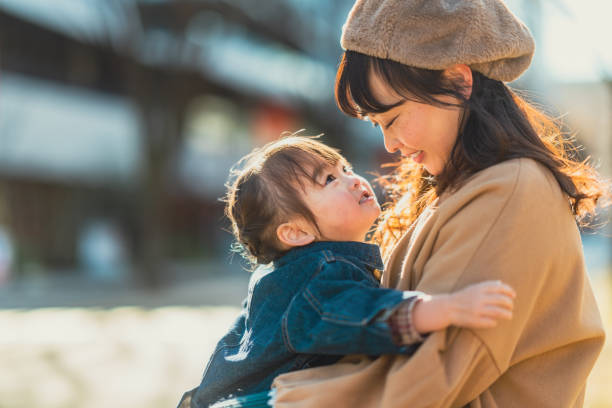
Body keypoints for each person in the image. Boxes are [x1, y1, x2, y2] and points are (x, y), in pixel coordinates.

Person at [269, 1, 610, 407]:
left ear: (458, 81)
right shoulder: (457, 188)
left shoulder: (509, 191)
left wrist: (275, 399)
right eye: (376, 126)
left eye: (392, 119)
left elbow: (426, 381)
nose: (389, 144)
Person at [178, 136, 516, 408]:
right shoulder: (321, 274)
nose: (352, 180)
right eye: (328, 180)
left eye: (345, 168)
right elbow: (356, 314)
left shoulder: (277, 279)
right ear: (296, 233)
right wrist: (445, 308)